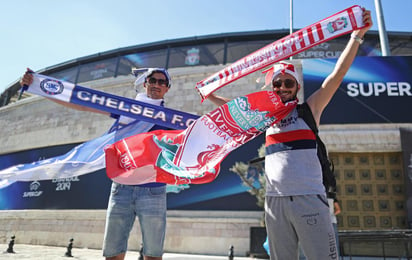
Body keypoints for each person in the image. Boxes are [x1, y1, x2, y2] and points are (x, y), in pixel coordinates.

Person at [207, 8, 372, 259]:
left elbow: (336, 76)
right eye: (277, 83)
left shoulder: (310, 109)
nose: (282, 87)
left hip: (310, 199)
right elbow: (234, 110)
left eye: (288, 83)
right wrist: (210, 95)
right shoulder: (265, 118)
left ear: (296, 86)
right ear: (271, 87)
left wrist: (356, 37)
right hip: (275, 202)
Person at [20, 68, 172, 260]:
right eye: (153, 80)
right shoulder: (127, 108)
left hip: (154, 190)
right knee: (113, 254)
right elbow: (83, 103)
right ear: (145, 83)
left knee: (153, 255)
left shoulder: (171, 119)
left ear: (167, 89)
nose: (157, 85)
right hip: (122, 188)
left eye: (161, 82)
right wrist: (36, 86)